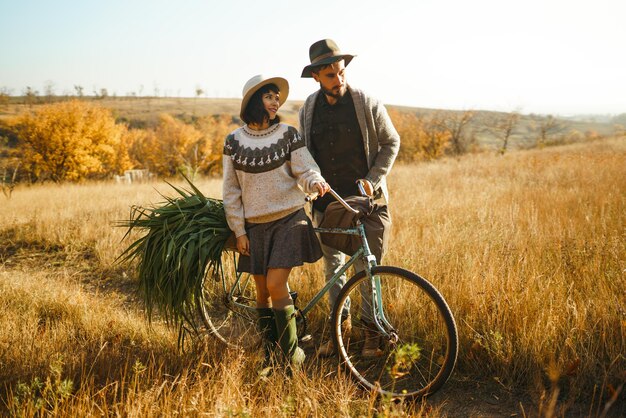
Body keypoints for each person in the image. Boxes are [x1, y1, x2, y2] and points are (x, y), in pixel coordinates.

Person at [299, 39, 400, 357]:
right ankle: (339, 332)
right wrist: (311, 182)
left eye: (341, 72)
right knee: (332, 268)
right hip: (327, 204)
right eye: (330, 75)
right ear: (316, 76)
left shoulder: (366, 102)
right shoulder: (308, 110)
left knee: (366, 268)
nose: (338, 79)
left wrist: (373, 180)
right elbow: (303, 154)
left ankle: (371, 335)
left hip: (363, 202)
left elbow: (391, 142)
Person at [222, 74, 330, 371]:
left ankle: (292, 355)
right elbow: (231, 190)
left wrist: (315, 182)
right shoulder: (233, 142)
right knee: (261, 293)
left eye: (276, 97)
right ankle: (271, 356)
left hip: (288, 219)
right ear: (256, 101)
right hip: (254, 226)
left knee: (275, 283)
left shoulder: (288, 134)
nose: (275, 101)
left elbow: (305, 170)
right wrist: (239, 231)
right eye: (269, 96)